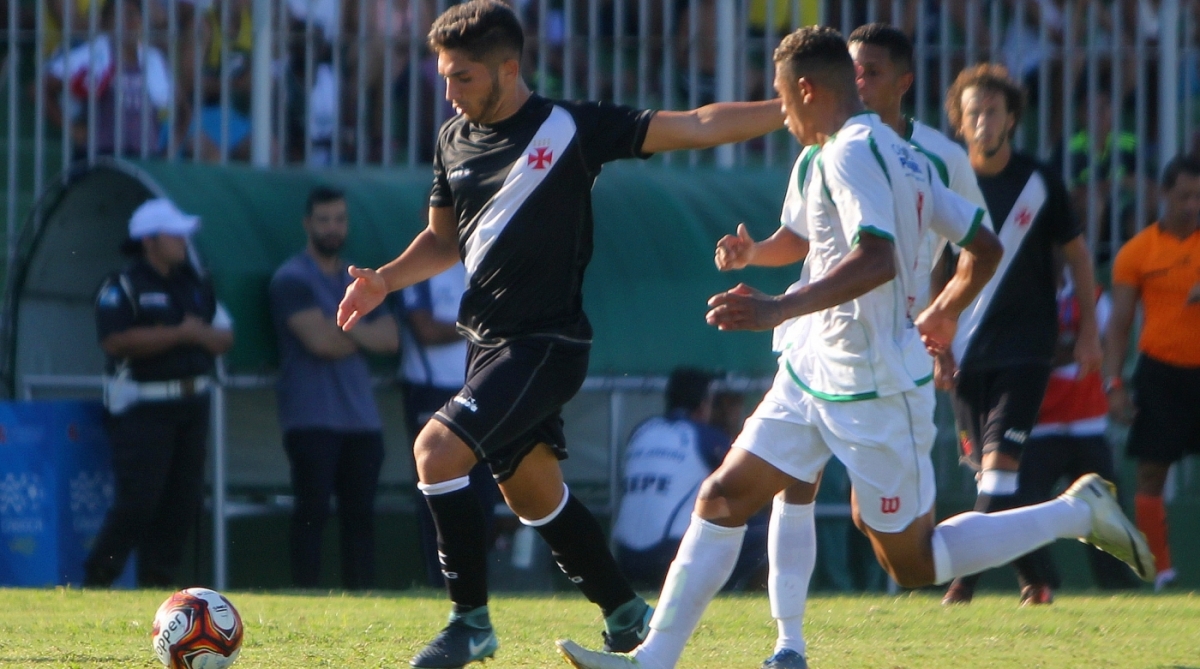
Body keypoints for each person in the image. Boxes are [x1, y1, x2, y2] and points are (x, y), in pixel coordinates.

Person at [555, 26, 1152, 669]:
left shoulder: (853, 153)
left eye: (784, 100)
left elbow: (879, 258)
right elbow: (983, 245)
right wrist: (944, 311)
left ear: (808, 90)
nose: (782, 115)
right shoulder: (888, 155)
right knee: (723, 496)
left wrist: (778, 307)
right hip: (814, 369)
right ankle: (653, 661)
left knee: (912, 559)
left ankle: (1073, 513)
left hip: (874, 387)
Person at [334, 2, 785, 667]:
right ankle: (628, 615)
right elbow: (441, 240)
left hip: (548, 342)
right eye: (443, 76)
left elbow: (695, 124)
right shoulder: (451, 139)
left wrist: (793, 111)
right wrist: (384, 280)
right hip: (488, 344)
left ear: (508, 69)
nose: (448, 92)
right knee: (532, 489)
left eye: (461, 77)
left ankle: (470, 622)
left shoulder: (568, 128)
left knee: (435, 449)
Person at [726, 22, 989, 665]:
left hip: (888, 352)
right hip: (820, 342)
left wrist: (945, 316)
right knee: (788, 484)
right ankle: (787, 642)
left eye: (872, 71)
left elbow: (971, 248)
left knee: (896, 545)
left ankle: (1066, 517)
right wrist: (755, 253)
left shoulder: (932, 157)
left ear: (905, 82)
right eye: (854, 69)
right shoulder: (823, 147)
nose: (861, 81)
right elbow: (804, 237)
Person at [937, 63, 1107, 606]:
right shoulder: (946, 184)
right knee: (990, 480)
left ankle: (963, 581)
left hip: (1026, 350)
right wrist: (938, 342)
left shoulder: (1040, 181)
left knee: (999, 468)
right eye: (972, 113)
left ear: (1012, 117)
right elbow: (934, 271)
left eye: (992, 110)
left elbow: (1078, 257)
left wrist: (1087, 332)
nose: (983, 121)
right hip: (964, 351)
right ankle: (1038, 580)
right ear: (959, 124)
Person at [85, 198, 234, 587]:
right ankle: (99, 577)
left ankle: (159, 583)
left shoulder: (195, 283)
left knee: (182, 503)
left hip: (191, 404)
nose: (184, 240)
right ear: (149, 240)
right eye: (174, 233)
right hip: (143, 407)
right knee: (138, 502)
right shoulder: (124, 284)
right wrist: (180, 334)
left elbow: (223, 334)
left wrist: (195, 334)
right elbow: (116, 339)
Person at [268, 186, 398, 590]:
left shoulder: (359, 280)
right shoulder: (291, 279)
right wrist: (361, 327)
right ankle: (305, 594)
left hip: (361, 419)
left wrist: (340, 325)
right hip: (311, 418)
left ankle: (362, 597)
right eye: (324, 219)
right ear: (308, 224)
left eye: (339, 219)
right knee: (312, 513)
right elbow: (320, 343)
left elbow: (392, 339)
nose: (332, 227)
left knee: (361, 518)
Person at [1008, 265, 1141, 599]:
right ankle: (1040, 581)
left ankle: (1117, 586)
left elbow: (1103, 344)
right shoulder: (1022, 293)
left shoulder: (1092, 294)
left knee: (1105, 507)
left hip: (1087, 420)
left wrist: (1104, 375)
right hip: (1038, 423)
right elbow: (1036, 350)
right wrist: (1076, 347)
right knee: (1023, 502)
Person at [1104, 154, 1200, 593]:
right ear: (1164, 195)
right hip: (1160, 374)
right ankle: (1161, 571)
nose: (1193, 205)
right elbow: (1119, 324)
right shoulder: (1137, 252)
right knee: (1150, 473)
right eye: (1184, 196)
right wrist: (1115, 384)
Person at [612, 368, 766, 591]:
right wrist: (733, 428)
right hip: (669, 555)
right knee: (763, 527)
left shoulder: (642, 430)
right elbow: (752, 481)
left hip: (624, 555)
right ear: (706, 403)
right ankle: (737, 595)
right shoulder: (705, 436)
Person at [396, 261, 500, 589]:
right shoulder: (419, 267)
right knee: (438, 489)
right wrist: (475, 324)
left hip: (475, 387)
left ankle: (477, 581)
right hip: (431, 391)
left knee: (483, 490)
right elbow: (424, 329)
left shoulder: (481, 265)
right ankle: (440, 581)